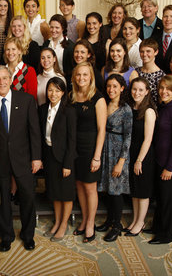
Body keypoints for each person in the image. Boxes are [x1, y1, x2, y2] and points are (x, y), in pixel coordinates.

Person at [0, 65, 42, 252]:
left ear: (11, 79)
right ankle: (7, 236)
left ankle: (28, 235)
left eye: (5, 78)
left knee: (28, 197)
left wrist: (36, 157)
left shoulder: (26, 100)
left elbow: (34, 132)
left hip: (24, 159)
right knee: (2, 200)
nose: (1, 82)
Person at [148, 75, 172, 244]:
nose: (164, 91)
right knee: (160, 197)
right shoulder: (163, 107)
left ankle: (167, 234)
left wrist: (169, 168)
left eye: (168, 89)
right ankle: (158, 227)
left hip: (170, 163)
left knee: (168, 200)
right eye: (162, 88)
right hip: (159, 159)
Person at [70, 62, 106, 243]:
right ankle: (84, 220)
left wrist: (97, 156)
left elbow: (102, 129)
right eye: (78, 75)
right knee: (79, 186)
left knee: (90, 187)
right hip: (74, 149)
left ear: (91, 76)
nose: (81, 78)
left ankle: (90, 224)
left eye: (85, 75)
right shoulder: (72, 96)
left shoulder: (98, 98)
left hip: (90, 148)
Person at [38, 77, 77, 242]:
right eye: (50, 90)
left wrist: (67, 163)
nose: (53, 94)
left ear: (63, 93)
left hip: (64, 158)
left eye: (57, 90)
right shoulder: (42, 109)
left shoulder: (69, 111)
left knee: (65, 193)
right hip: (49, 155)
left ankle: (63, 224)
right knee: (54, 191)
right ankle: (57, 221)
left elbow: (72, 140)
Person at [96, 74, 132, 242]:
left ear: (122, 88)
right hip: (104, 150)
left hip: (118, 154)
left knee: (116, 191)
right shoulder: (104, 104)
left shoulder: (126, 109)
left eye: (115, 86)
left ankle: (117, 225)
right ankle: (109, 220)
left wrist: (121, 162)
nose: (111, 89)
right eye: (109, 86)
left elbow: (128, 137)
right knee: (108, 190)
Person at [125, 77, 156, 236]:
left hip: (143, 156)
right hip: (131, 153)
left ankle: (141, 222)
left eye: (140, 90)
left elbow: (148, 139)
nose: (136, 93)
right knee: (135, 190)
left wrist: (139, 160)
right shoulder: (130, 107)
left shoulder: (149, 111)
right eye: (134, 89)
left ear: (147, 92)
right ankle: (135, 219)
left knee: (142, 191)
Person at [42, 14, 75, 80]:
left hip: (63, 81)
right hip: (47, 79)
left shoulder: (70, 46)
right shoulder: (46, 44)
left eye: (57, 28)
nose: (53, 30)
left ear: (63, 28)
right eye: (51, 27)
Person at [136, 38, 166, 104]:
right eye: (142, 51)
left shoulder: (161, 76)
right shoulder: (135, 72)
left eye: (148, 51)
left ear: (156, 52)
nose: (144, 54)